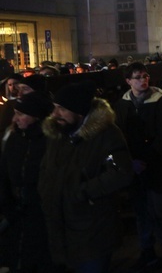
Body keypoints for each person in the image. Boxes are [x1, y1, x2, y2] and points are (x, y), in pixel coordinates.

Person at [39, 81, 134, 273]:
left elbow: (121, 173)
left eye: (62, 109)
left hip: (92, 228)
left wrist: (81, 192)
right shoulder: (58, 133)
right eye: (55, 108)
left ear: (79, 111)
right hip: (62, 224)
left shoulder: (106, 134)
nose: (55, 114)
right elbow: (46, 169)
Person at [114, 62, 162, 269]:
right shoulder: (122, 104)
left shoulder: (160, 101)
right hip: (134, 166)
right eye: (138, 77)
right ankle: (147, 249)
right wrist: (130, 161)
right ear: (128, 81)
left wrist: (147, 160)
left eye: (145, 76)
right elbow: (119, 135)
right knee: (141, 211)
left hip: (155, 165)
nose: (143, 80)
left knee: (159, 209)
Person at [0, 92, 56, 271]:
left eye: (21, 114)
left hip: (42, 213)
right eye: (15, 113)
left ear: (36, 116)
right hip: (17, 211)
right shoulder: (14, 138)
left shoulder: (52, 141)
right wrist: (7, 204)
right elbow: (4, 174)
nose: (15, 119)